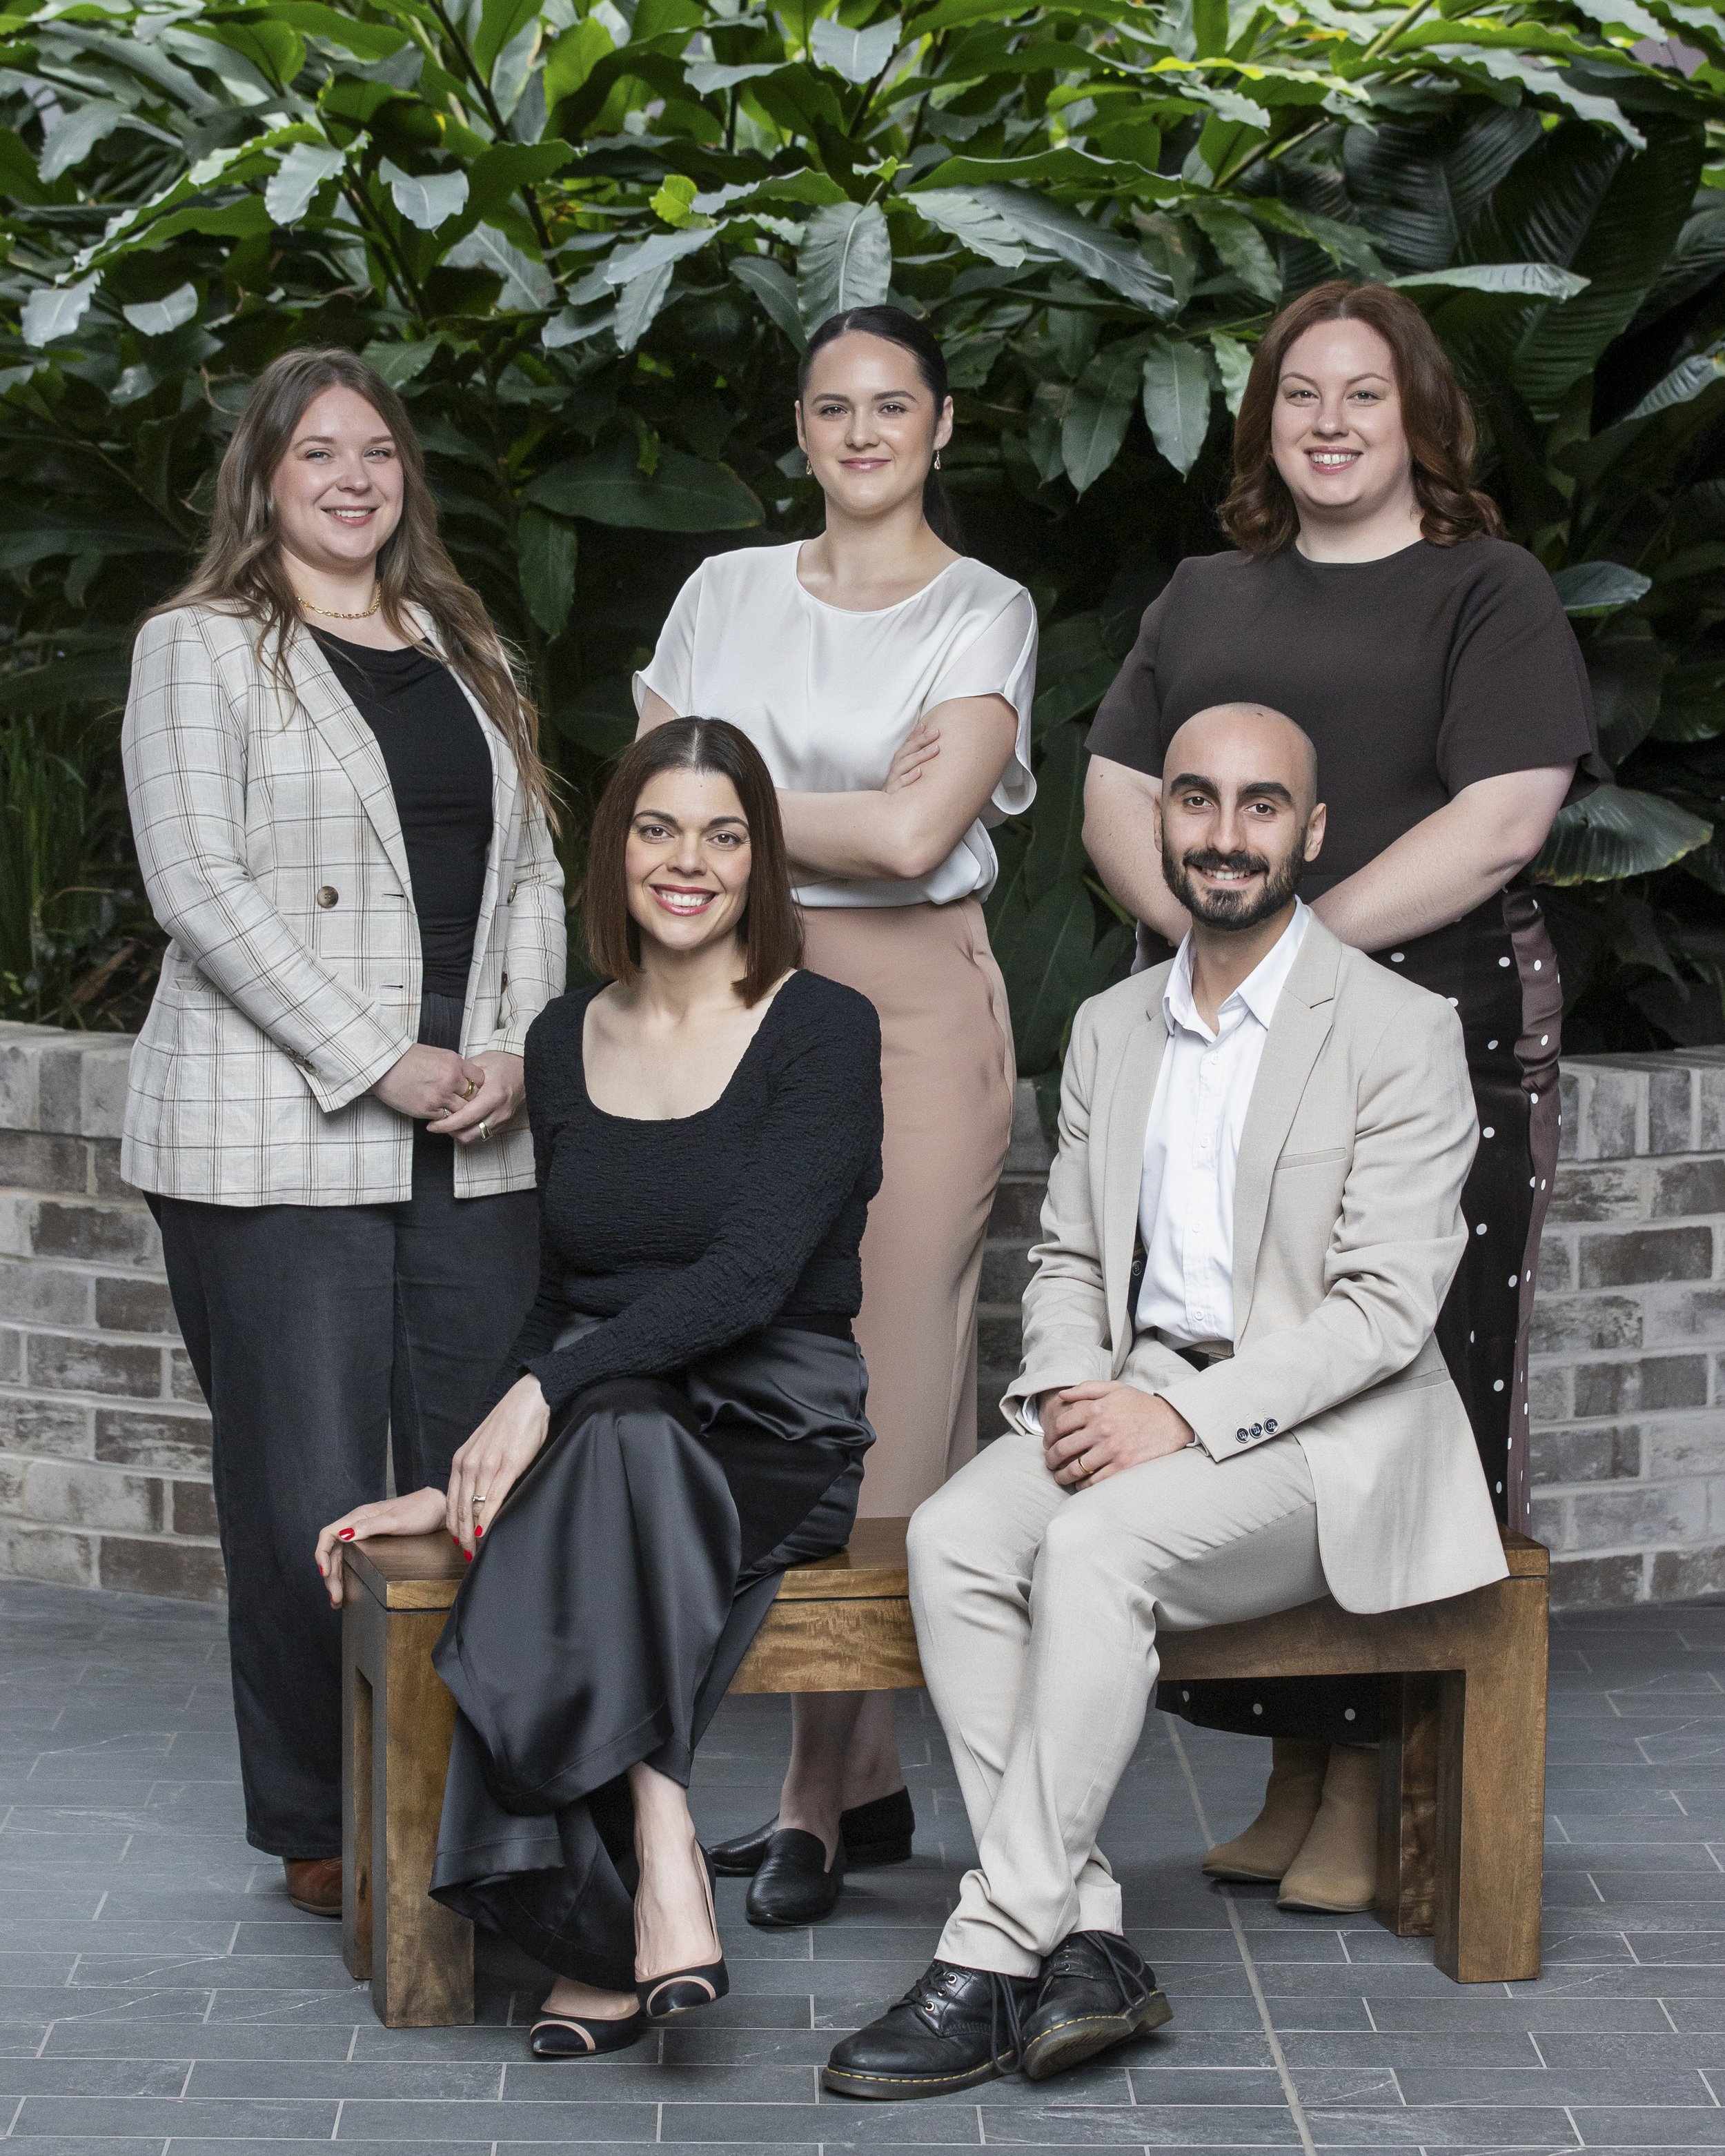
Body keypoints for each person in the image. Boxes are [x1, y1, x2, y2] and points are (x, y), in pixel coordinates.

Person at [824, 701, 1507, 2101]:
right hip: (1133, 1395)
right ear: (1161, 827)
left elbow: (1383, 1312)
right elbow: (1070, 1254)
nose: (1223, 833)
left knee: (1094, 1547)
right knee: (958, 1539)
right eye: (1194, 801)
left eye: (1261, 807)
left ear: (1308, 835)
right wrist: (1079, 1390)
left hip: (1324, 1443)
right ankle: (1083, 1935)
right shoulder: (1109, 1025)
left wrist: (1183, 1423)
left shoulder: (1395, 1029)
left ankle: (993, 1947)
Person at [1081, 279, 1601, 1910]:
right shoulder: (1201, 596)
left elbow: (1501, 819)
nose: (1325, 421)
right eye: (1295, 394)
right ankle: (1298, 1758)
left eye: (1360, 395)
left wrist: (1286, 951)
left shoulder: (1484, 590)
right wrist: (1209, 947)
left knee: (1393, 1395)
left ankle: (1387, 1784)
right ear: (1263, 425)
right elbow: (1112, 795)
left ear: (1415, 418)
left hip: (1421, 1034)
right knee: (1249, 1380)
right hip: (1223, 1051)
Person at [315, 718, 881, 2054]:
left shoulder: (821, 1027)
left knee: (606, 1439)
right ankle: (663, 1849)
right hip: (614, 1421)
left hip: (775, 1418)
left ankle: (613, 1897)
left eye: (723, 834)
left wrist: (545, 1398)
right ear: (615, 850)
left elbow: (749, 1280)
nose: (687, 861)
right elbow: (567, 1299)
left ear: (761, 862)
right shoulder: (565, 1037)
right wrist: (464, 1460)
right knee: (612, 1439)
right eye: (657, 828)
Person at [121, 348, 565, 1920]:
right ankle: (325, 1822)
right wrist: (383, 1059)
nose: (353, 479)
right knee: (303, 1489)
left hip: (476, 1132)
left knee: (476, 1485)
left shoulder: (464, 641)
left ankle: (466, 1801)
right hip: (281, 1129)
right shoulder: (201, 648)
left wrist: (512, 1041)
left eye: (376, 452)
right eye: (319, 454)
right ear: (265, 477)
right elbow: (202, 887)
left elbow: (532, 870)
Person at [633, 305, 1038, 1923]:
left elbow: (918, 831)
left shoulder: (984, 608)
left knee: (891, 1369)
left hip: (914, 1006)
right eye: (829, 407)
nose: (860, 432)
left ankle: (811, 1791)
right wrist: (831, 808)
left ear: (941, 426)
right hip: (731, 1003)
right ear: (798, 430)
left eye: (892, 406)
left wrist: (721, 791)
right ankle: (861, 1782)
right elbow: (651, 809)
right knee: (759, 1355)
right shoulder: (720, 591)